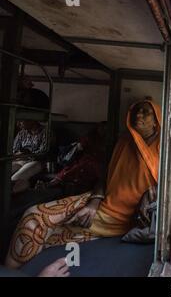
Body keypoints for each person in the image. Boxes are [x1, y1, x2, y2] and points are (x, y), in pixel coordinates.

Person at [5, 99, 161, 269]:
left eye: (146, 112)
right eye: (137, 110)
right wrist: (94, 201)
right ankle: (11, 271)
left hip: (121, 216)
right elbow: (106, 176)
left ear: (156, 120)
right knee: (33, 217)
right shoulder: (124, 142)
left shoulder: (164, 149)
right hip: (99, 200)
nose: (139, 114)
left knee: (44, 232)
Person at [36, 122, 107, 193]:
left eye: (105, 128)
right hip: (84, 158)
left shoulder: (108, 139)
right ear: (97, 127)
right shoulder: (91, 136)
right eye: (101, 127)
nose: (102, 130)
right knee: (73, 166)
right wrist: (78, 147)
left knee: (86, 167)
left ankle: (54, 185)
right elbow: (81, 146)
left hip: (97, 162)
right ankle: (51, 184)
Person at [11, 120, 48, 194]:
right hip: (20, 159)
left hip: (35, 161)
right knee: (4, 173)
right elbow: (14, 149)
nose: (18, 124)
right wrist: (18, 154)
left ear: (32, 120)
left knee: (14, 179)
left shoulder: (46, 132)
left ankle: (10, 193)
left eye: (22, 121)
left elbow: (43, 153)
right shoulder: (22, 133)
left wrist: (28, 153)